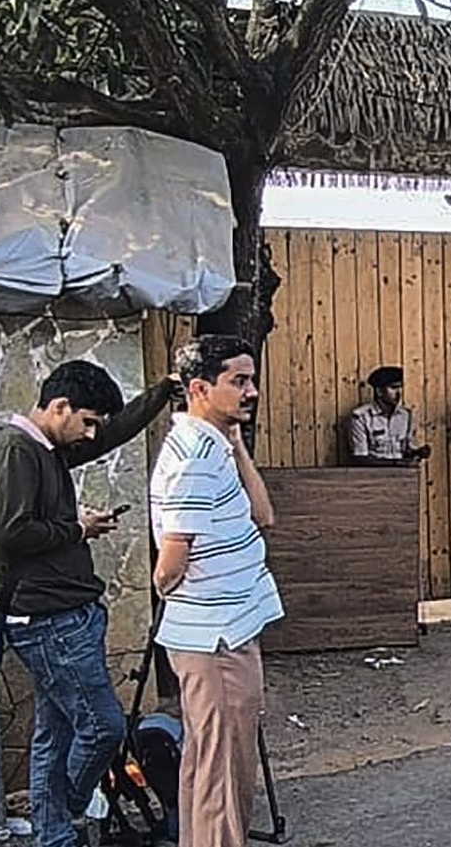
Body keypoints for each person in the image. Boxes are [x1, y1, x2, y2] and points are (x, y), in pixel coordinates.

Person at [0, 360, 178, 847]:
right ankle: (61, 809)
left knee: (56, 735)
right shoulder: (14, 450)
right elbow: (10, 533)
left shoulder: (45, 448)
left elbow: (107, 438)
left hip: (65, 614)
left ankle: (54, 835)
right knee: (102, 727)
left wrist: (160, 393)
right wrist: (77, 528)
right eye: (85, 421)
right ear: (58, 406)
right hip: (47, 620)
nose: (90, 435)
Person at [150, 335, 284, 847]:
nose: (251, 391)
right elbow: (170, 564)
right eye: (239, 381)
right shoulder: (195, 459)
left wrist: (237, 442)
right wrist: (175, 593)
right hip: (215, 638)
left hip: (226, 630)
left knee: (214, 765)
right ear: (201, 388)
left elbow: (264, 515)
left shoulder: (214, 446)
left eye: (252, 380)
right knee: (223, 773)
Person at [347, 365, 431, 467]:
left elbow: (405, 450)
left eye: (400, 387)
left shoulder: (405, 416)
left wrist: (418, 452)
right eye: (393, 388)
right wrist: (397, 463)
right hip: (373, 477)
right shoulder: (361, 417)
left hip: (402, 477)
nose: (398, 393)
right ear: (379, 391)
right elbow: (360, 459)